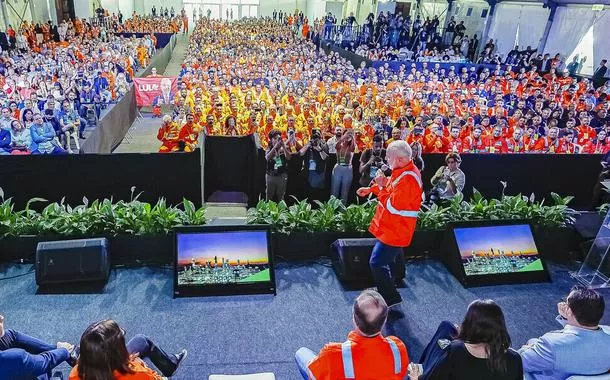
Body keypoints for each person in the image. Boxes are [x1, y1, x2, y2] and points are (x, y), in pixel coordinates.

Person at [356, 141, 422, 306]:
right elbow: (390, 187)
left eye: (389, 157)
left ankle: (391, 297)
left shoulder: (409, 178)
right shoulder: (401, 171)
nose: (386, 159)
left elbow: (393, 206)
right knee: (390, 260)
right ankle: (391, 284)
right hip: (391, 226)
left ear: (399, 159)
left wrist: (379, 186)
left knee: (376, 262)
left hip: (396, 229)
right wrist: (372, 189)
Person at [295, 289, 409, 379]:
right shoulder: (398, 348)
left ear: (354, 318)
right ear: (384, 321)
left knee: (301, 353)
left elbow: (313, 375)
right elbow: (401, 373)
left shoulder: (331, 353)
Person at [411, 299, 523, 380]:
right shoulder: (515, 359)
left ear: (471, 325)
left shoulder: (456, 350)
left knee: (445, 328)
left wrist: (415, 378)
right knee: (447, 327)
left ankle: (422, 367)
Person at [519, 286, 610, 379]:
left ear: (569, 311)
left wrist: (526, 348)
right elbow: (578, 335)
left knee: (531, 342)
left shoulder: (551, 345)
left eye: (566, 301)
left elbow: (517, 363)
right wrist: (567, 318)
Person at [69, 319, 187, 380]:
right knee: (142, 340)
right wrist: (138, 364)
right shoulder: (138, 373)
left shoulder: (74, 374)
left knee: (141, 341)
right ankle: (170, 366)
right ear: (118, 351)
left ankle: (171, 364)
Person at [0, 314, 77, 379]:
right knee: (40, 372)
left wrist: (57, 349)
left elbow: (14, 337)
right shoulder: (14, 359)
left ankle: (74, 358)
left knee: (8, 336)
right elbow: (44, 362)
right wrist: (64, 350)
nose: (2, 318)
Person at [300, 128, 329, 201]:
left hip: (318, 171)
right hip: (308, 171)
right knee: (308, 192)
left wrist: (319, 149)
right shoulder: (308, 143)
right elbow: (301, 154)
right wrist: (308, 145)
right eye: (314, 137)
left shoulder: (324, 144)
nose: (315, 139)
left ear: (320, 137)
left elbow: (325, 158)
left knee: (317, 191)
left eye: (317, 137)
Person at [265, 129, 291, 202]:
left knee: (281, 197)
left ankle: (281, 212)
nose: (277, 140)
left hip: (281, 176)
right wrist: (275, 147)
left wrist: (283, 146)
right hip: (270, 176)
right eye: (275, 138)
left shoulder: (284, 147)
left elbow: (289, 157)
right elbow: (267, 158)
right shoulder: (269, 148)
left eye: (278, 138)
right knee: (269, 197)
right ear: (271, 140)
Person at [331, 128, 355, 204]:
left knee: (345, 192)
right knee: (334, 190)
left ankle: (342, 211)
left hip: (347, 168)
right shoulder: (340, 144)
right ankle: (331, 210)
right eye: (347, 134)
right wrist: (343, 138)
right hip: (338, 167)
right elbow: (336, 147)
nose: (348, 136)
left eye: (350, 135)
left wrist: (352, 138)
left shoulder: (352, 145)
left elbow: (353, 148)